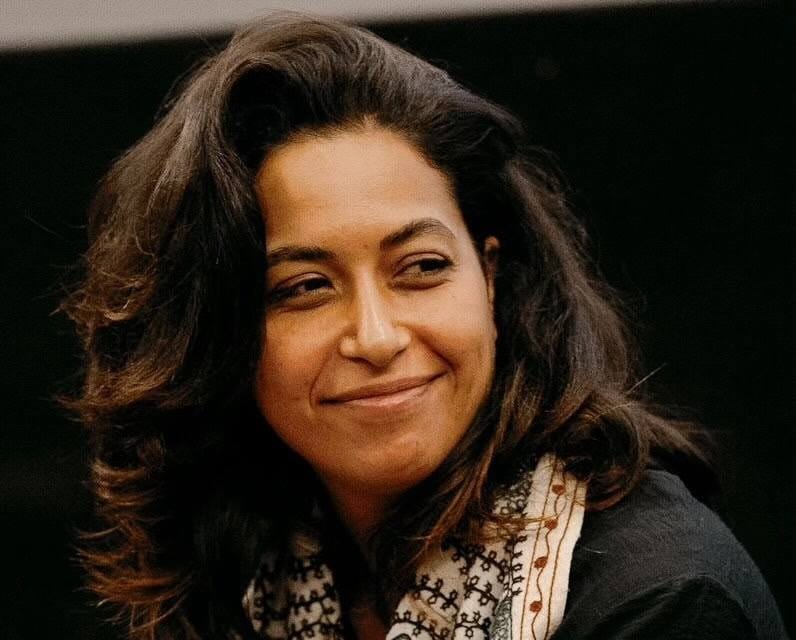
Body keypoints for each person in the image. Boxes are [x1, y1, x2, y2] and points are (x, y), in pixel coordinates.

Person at [62, 14, 787, 640]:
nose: (376, 337)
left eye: (421, 268)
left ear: (491, 277)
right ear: (215, 335)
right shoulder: (266, 573)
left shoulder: (659, 600)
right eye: (305, 288)